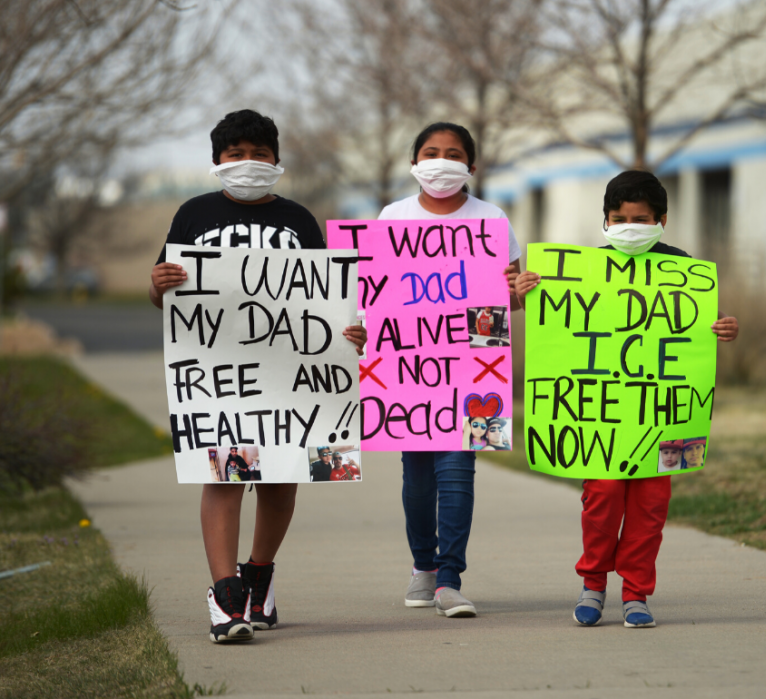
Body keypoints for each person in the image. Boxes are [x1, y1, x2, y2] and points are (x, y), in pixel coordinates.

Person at [148, 109, 367, 644]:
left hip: (292, 378)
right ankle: (225, 596)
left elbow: (329, 297)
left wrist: (350, 332)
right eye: (235, 155)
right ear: (217, 162)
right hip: (222, 378)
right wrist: (157, 284)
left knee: (281, 478)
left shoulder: (299, 220)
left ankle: (258, 577)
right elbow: (164, 297)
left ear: (276, 159)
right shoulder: (193, 213)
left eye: (258, 154)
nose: (248, 164)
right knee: (224, 476)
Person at [515, 169, 739, 629]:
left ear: (661, 219)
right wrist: (522, 292)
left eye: (639, 217)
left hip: (666, 419)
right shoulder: (579, 272)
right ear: (605, 219)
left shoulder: (683, 269)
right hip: (603, 424)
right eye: (618, 218)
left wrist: (723, 328)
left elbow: (698, 327)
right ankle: (593, 584)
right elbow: (546, 323)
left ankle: (636, 593)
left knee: (651, 507)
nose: (627, 226)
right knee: (602, 497)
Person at [378, 122, 523, 618]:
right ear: (415, 162)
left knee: (458, 471)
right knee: (416, 477)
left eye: (453, 153)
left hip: (474, 367)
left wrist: (516, 293)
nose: (441, 162)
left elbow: (510, 300)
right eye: (431, 152)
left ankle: (448, 579)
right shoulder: (392, 217)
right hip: (409, 367)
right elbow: (376, 297)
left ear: (472, 167)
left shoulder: (493, 218)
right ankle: (422, 566)